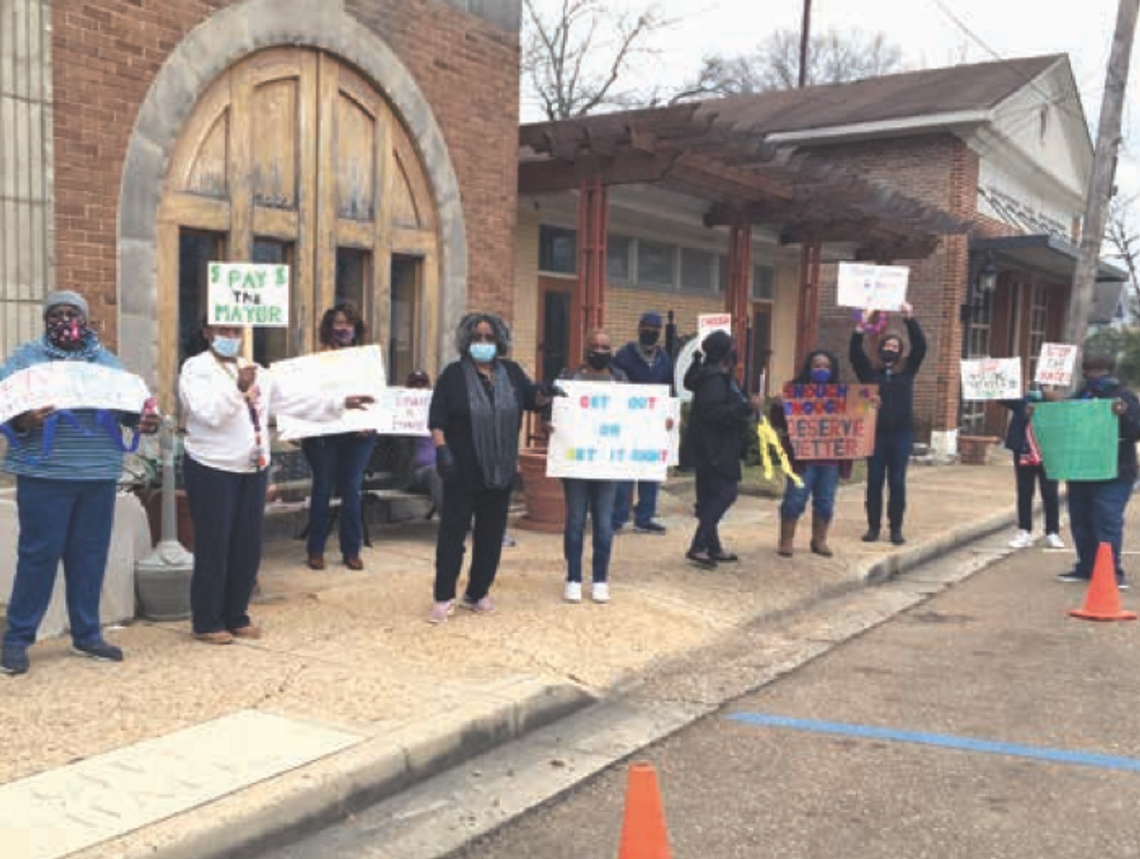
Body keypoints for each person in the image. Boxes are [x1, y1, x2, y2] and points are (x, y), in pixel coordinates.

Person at [179, 323, 374, 644]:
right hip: (212, 465)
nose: (230, 338)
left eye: (235, 331)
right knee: (215, 544)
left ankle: (236, 614)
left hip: (252, 465)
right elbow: (207, 414)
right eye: (222, 331)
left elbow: (294, 401)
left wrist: (339, 403)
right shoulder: (196, 369)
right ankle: (207, 620)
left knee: (247, 543)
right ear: (206, 332)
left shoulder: (254, 370)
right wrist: (238, 390)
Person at [0, 291, 160, 675]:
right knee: (38, 557)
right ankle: (17, 640)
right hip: (45, 474)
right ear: (44, 321)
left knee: (89, 557)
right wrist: (23, 420)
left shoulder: (106, 364)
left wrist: (142, 421)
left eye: (73, 313)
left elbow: (128, 413)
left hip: (97, 475)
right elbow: (4, 404)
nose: (65, 319)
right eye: (56, 314)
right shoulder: (25, 359)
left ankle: (87, 635)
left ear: (87, 320)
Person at [427, 312, 558, 623]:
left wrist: (545, 392)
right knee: (452, 535)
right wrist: (442, 451)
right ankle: (444, 596)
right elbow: (437, 419)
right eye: (477, 337)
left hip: (500, 471)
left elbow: (533, 400)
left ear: (499, 341)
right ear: (466, 341)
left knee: (491, 536)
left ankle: (477, 592)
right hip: (461, 469)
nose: (483, 343)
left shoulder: (511, 373)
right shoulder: (453, 376)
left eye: (489, 337)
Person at [300, 303, 377, 571]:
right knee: (322, 488)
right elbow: (311, 397)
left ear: (356, 328)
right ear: (329, 327)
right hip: (326, 435)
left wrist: (369, 420)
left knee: (351, 491)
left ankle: (351, 550)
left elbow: (376, 394)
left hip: (359, 436)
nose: (343, 328)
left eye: (349, 323)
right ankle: (316, 550)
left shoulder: (367, 360)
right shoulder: (317, 360)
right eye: (338, 323)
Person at [1054, 353, 1140, 588]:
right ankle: (1086, 566)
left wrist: (1123, 414)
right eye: (1091, 372)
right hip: (1081, 468)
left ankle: (1111, 572)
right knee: (1081, 520)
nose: (1095, 377)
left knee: (1107, 520)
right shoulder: (1081, 395)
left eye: (1099, 372)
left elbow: (1136, 430)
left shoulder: (1124, 397)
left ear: (1110, 372)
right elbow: (1063, 421)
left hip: (1115, 471)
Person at [680, 330, 763, 570]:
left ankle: (712, 546)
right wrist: (746, 408)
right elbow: (714, 413)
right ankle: (698, 545)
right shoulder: (714, 379)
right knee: (726, 494)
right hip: (716, 448)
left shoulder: (711, 374)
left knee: (708, 498)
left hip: (709, 447)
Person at [555, 329, 627, 604]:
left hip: (607, 464)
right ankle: (573, 578)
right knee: (574, 522)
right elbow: (553, 411)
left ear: (612, 350)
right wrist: (551, 425)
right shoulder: (569, 379)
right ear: (585, 349)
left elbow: (634, 418)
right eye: (594, 346)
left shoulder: (621, 381)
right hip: (576, 464)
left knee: (604, 524)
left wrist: (660, 425)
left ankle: (600, 579)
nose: (599, 350)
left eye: (605, 346)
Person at [849, 301, 926, 545]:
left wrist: (909, 318)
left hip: (901, 434)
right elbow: (854, 351)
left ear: (900, 350)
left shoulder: (907, 371)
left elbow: (921, 347)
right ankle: (873, 526)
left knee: (897, 482)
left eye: (895, 346)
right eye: (887, 345)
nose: (890, 349)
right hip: (876, 435)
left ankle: (896, 528)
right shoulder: (870, 373)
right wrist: (863, 322)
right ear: (881, 348)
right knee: (874, 481)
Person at [768, 350, 852, 558]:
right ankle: (786, 540)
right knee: (794, 500)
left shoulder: (843, 395)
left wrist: (870, 405)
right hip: (802, 458)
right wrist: (779, 406)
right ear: (808, 368)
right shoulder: (796, 391)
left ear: (832, 371)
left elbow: (856, 421)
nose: (821, 370)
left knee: (825, 502)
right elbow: (778, 423)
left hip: (830, 458)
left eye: (825, 366)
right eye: (816, 366)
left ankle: (819, 540)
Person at [610, 311, 672, 534]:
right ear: (639, 328)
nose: (650, 332)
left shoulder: (664, 359)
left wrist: (669, 416)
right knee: (624, 472)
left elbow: (669, 391)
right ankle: (617, 518)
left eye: (655, 329)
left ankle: (644, 518)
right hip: (628, 423)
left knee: (650, 470)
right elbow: (615, 383)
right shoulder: (624, 356)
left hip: (653, 425)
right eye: (646, 327)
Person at [999, 388, 1064, 550]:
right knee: (1024, 491)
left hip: (1048, 451)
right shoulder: (1024, 398)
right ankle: (1024, 531)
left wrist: (1053, 399)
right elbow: (1003, 399)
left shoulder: (1059, 401)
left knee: (1050, 492)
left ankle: (1052, 532)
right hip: (1024, 450)